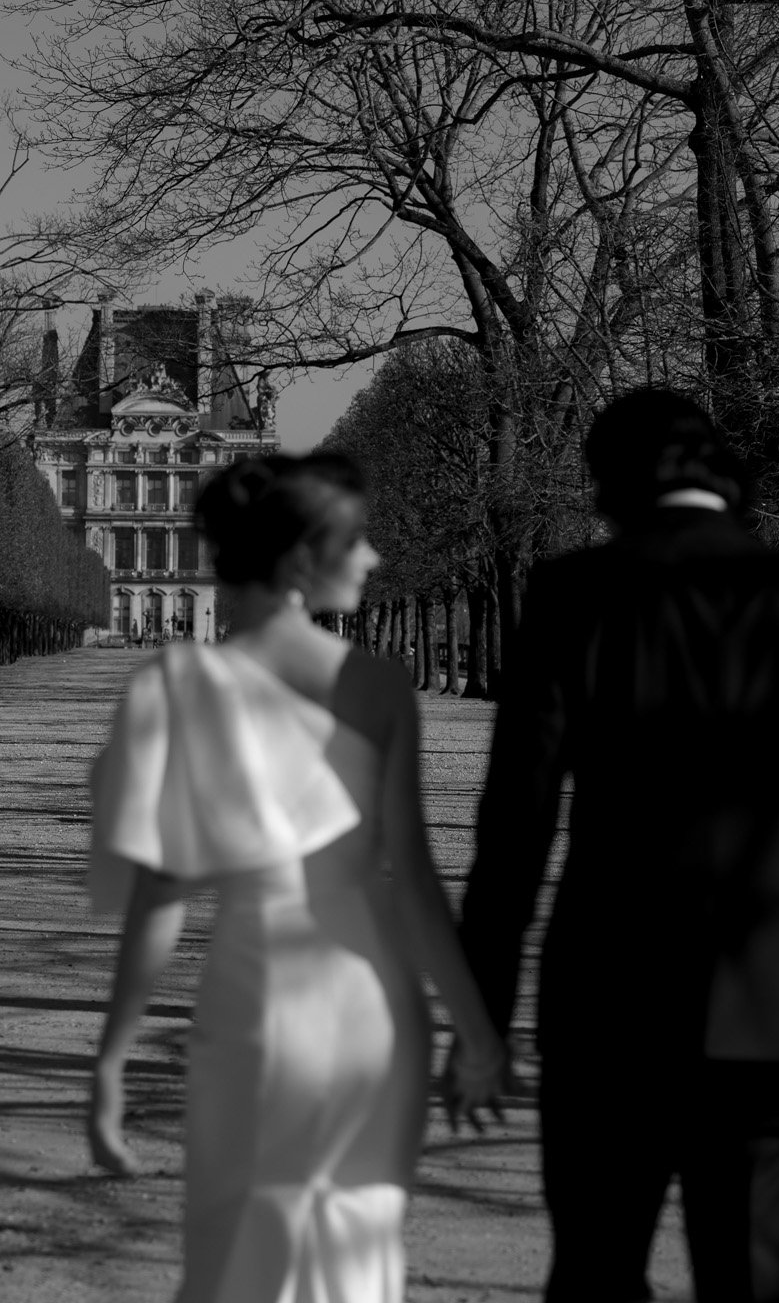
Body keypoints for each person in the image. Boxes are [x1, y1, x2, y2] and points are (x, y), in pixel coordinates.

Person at [460, 389, 779, 1303]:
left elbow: (514, 828)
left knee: (596, 1271)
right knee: (754, 1281)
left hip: (609, 1000)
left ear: (607, 485)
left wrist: (482, 1017)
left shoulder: (569, 594)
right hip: (776, 1010)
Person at [87, 451, 506, 1302]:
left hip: (256, 996)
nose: (374, 559)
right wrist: (476, 1032)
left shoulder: (178, 682)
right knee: (354, 1254)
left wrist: (112, 1057)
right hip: (369, 1007)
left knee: (237, 1243)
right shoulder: (377, 684)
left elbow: (161, 895)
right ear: (300, 557)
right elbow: (418, 885)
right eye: (356, 540)